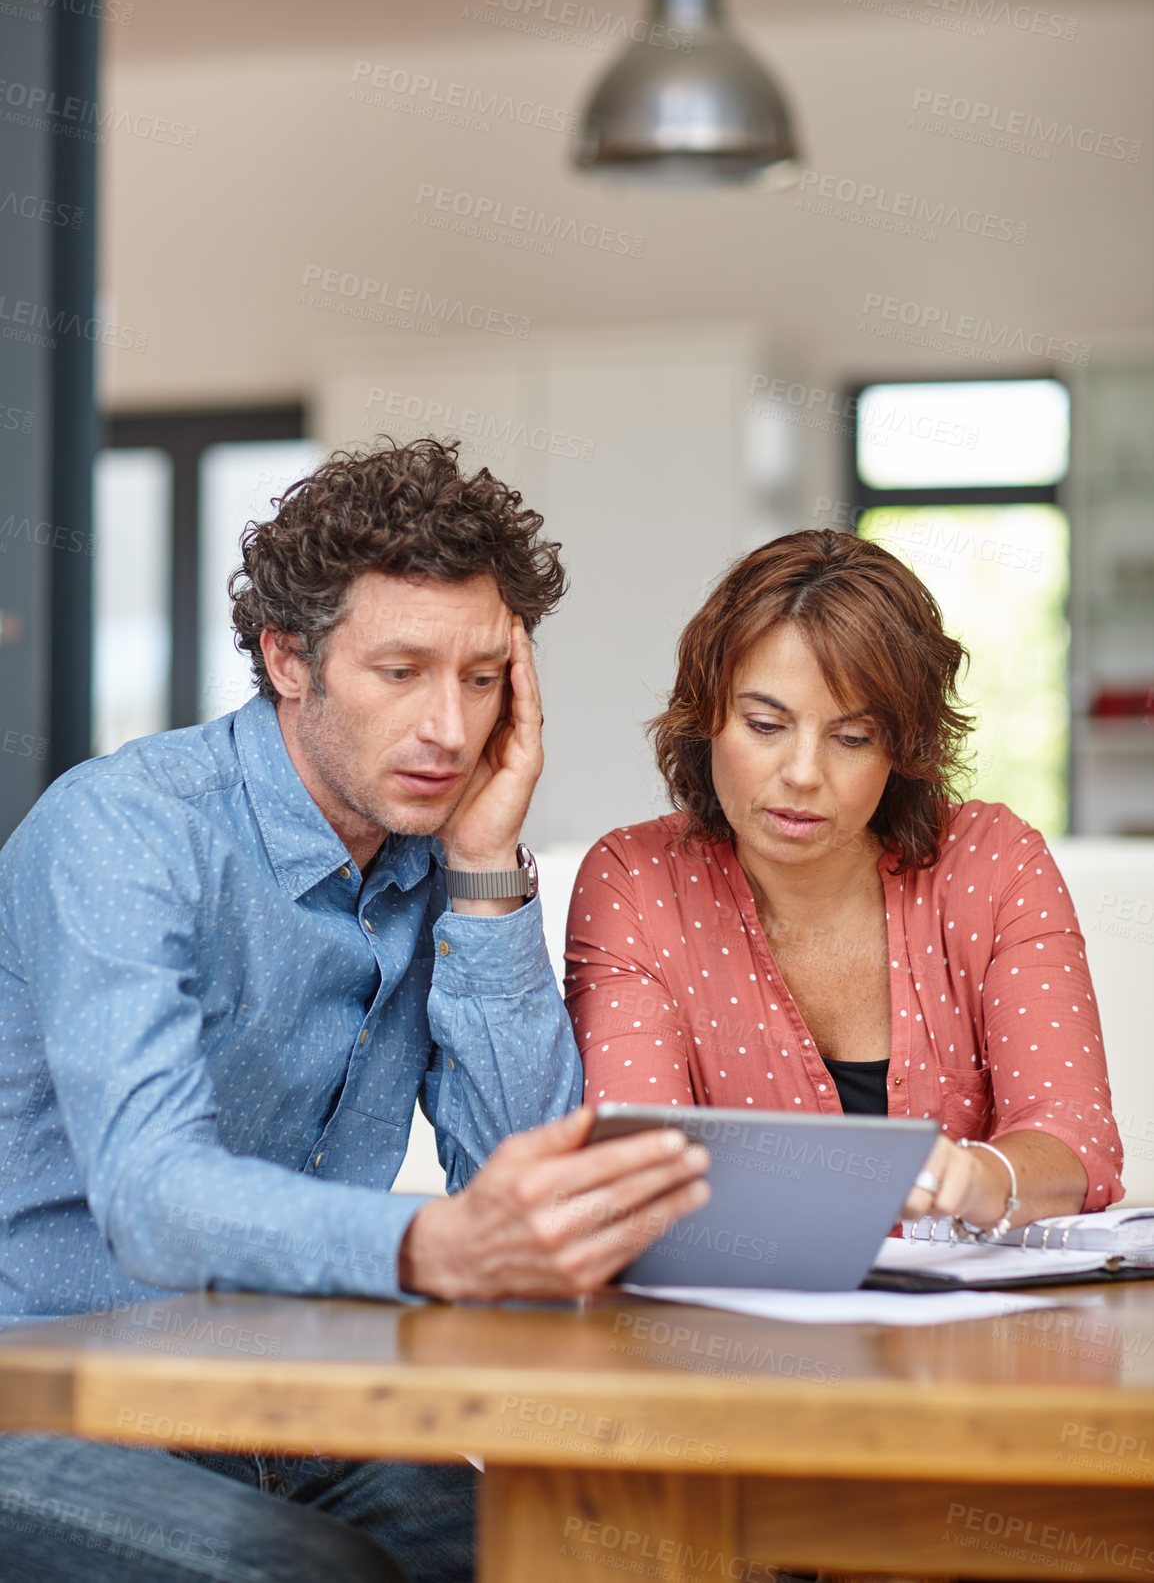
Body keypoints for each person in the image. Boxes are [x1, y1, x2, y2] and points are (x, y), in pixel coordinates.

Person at [0, 439, 710, 1583]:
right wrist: (426, 1244)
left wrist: (485, 876)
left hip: (283, 1403)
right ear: (289, 660)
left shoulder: (439, 858)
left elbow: (517, 1169)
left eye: (482, 678)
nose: (448, 727)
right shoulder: (125, 831)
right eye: (401, 672)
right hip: (44, 1398)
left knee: (570, 1556)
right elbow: (152, 1195)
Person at [567, 528, 1123, 1235]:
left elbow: (1079, 1141)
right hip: (726, 1336)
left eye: (852, 739)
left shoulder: (994, 864)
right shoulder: (635, 884)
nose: (803, 773)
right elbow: (637, 1178)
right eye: (766, 724)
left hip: (966, 1342)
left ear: (903, 749)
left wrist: (983, 1177)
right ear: (706, 717)